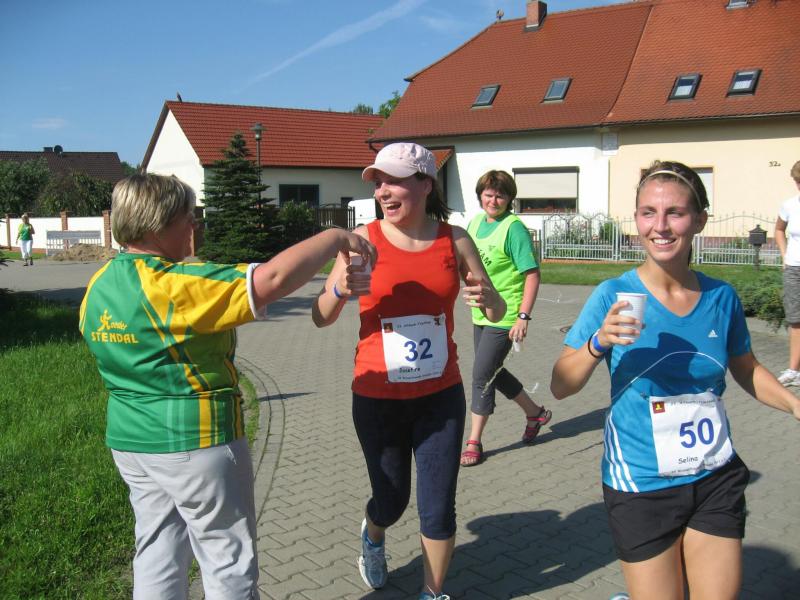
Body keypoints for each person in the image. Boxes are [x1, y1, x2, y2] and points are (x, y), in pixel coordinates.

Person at [79, 173, 375, 600]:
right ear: (155, 225)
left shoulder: (99, 283)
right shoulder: (175, 285)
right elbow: (272, 280)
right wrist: (334, 238)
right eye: (187, 216)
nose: (194, 225)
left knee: (157, 549)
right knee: (226, 559)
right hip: (197, 441)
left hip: (131, 442)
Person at [550, 161, 800, 600]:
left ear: (699, 220)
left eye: (675, 213)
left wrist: (794, 404)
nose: (660, 226)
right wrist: (598, 342)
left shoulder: (721, 296)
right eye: (648, 212)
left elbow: (746, 367)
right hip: (642, 481)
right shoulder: (613, 295)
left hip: (715, 473)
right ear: (636, 218)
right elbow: (560, 385)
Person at [311, 142, 505, 600]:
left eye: (393, 180)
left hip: (440, 395)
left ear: (425, 184)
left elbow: (495, 309)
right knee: (392, 499)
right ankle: (374, 532)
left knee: (438, 508)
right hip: (378, 397)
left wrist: (488, 299)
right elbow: (320, 317)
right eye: (378, 182)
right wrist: (339, 289)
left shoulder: (455, 240)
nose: (382, 191)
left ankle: (432, 593)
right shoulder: (361, 241)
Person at [460, 170, 551, 467]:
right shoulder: (475, 223)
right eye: (488, 194)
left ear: (509, 198)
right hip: (481, 312)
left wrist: (523, 316)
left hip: (506, 314)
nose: (493, 200)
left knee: (481, 376)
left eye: (500, 195)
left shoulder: (514, 229)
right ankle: (535, 413)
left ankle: (474, 441)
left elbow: (532, 275)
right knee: (493, 372)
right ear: (480, 196)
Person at [773, 159, 800, 386]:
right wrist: (784, 256)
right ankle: (794, 371)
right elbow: (779, 230)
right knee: (796, 320)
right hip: (794, 269)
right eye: (798, 181)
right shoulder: (789, 205)